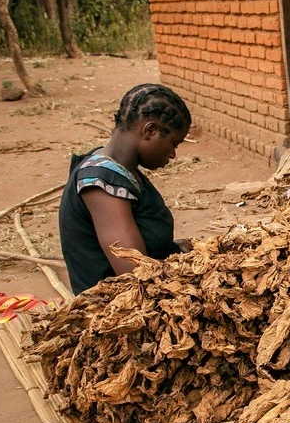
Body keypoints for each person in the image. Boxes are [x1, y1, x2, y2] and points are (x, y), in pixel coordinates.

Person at [58, 83, 192, 294]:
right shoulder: (102, 183)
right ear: (150, 131)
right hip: (116, 308)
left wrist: (173, 249)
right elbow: (135, 272)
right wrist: (194, 266)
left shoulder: (120, 170)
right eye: (173, 143)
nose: (173, 155)